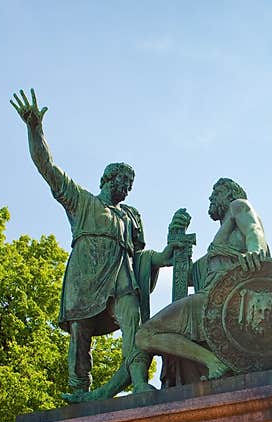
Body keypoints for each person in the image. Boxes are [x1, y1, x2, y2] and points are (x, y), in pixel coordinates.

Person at [11, 88, 174, 402]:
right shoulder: (81, 201)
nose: (127, 188)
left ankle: (139, 381)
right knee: (80, 334)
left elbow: (140, 256)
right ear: (108, 179)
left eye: (130, 184)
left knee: (134, 324)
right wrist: (35, 129)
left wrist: (164, 256)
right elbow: (48, 168)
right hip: (85, 278)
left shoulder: (131, 216)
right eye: (123, 181)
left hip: (122, 279)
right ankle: (78, 390)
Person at [136, 178, 268, 383]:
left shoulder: (238, 206)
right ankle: (213, 361)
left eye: (217, 192)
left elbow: (254, 229)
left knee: (145, 335)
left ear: (231, 195)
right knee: (145, 336)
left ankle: (213, 362)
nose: (211, 197)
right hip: (212, 296)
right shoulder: (223, 241)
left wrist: (256, 250)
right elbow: (188, 277)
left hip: (220, 298)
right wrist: (176, 239)